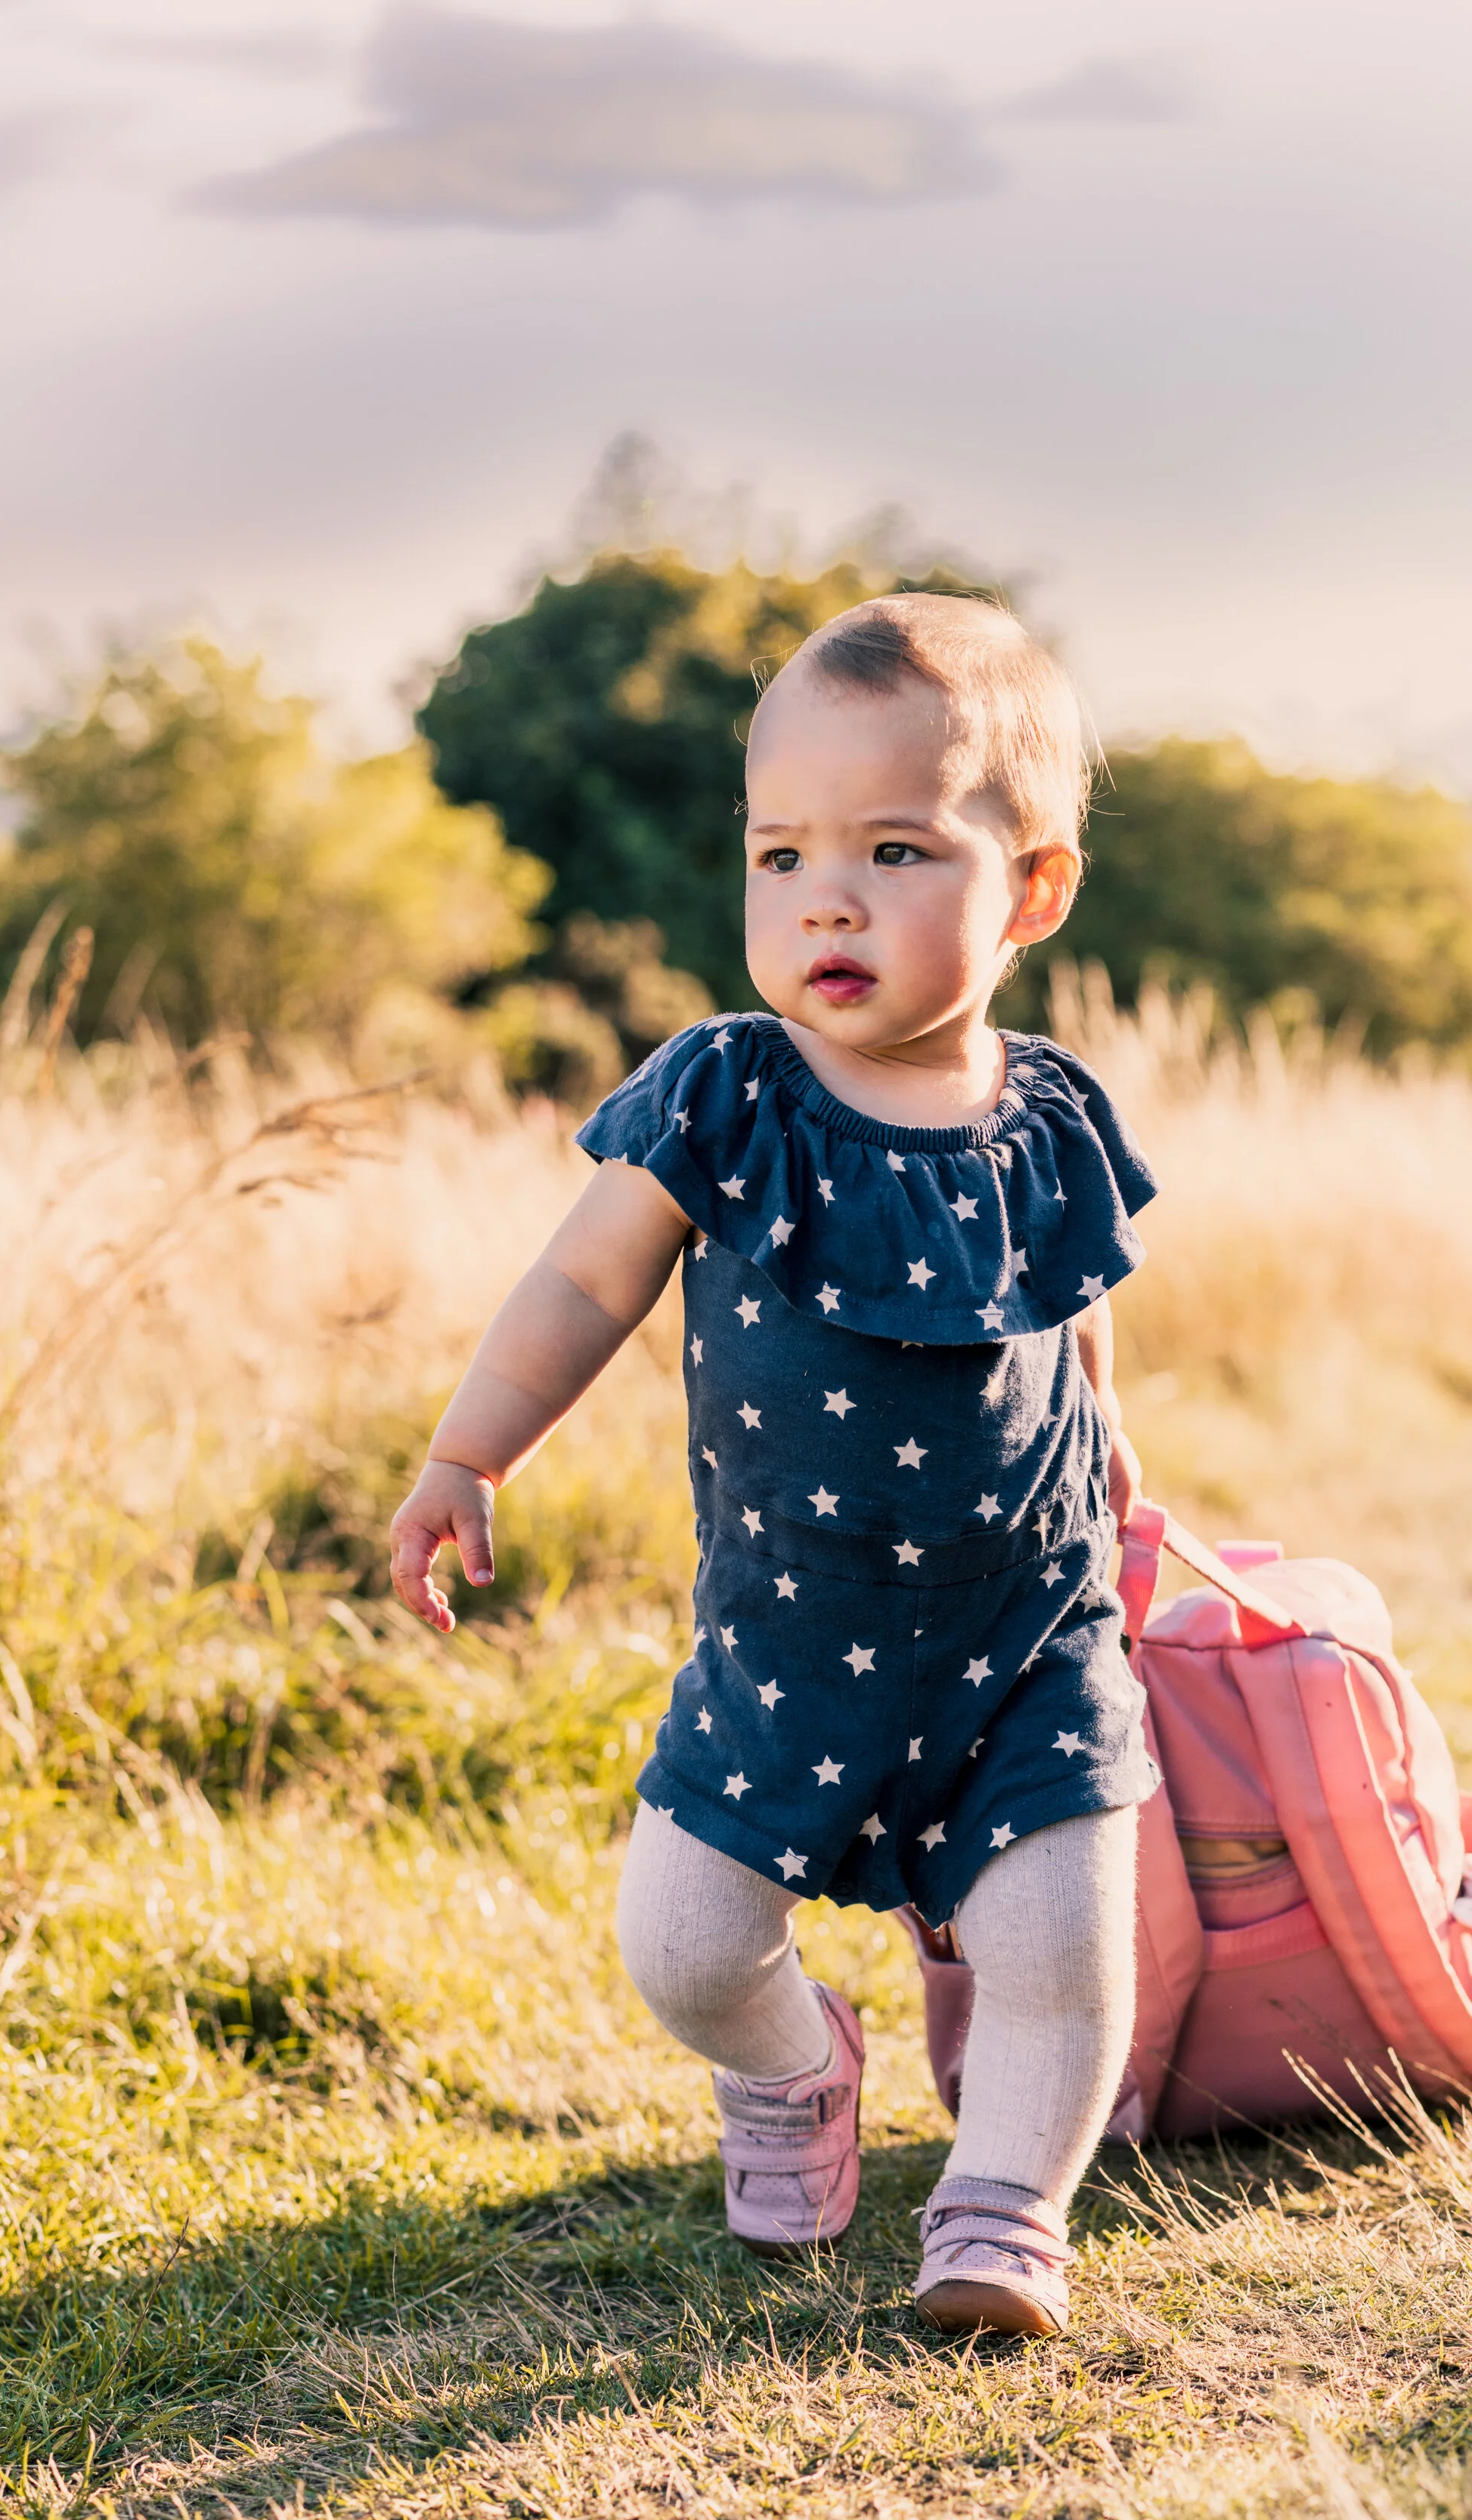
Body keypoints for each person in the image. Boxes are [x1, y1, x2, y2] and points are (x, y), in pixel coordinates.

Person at [390, 594, 1157, 2336]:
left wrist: (1118, 1482)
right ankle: (799, 2068)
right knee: (680, 1938)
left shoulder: (1051, 1121)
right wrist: (466, 1449)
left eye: (893, 848)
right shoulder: (725, 1096)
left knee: (1060, 1947)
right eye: (780, 852)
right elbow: (579, 1283)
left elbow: (1076, 1328)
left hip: (1025, 1632)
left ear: (1027, 893)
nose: (825, 896)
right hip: (789, 1635)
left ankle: (998, 2212)